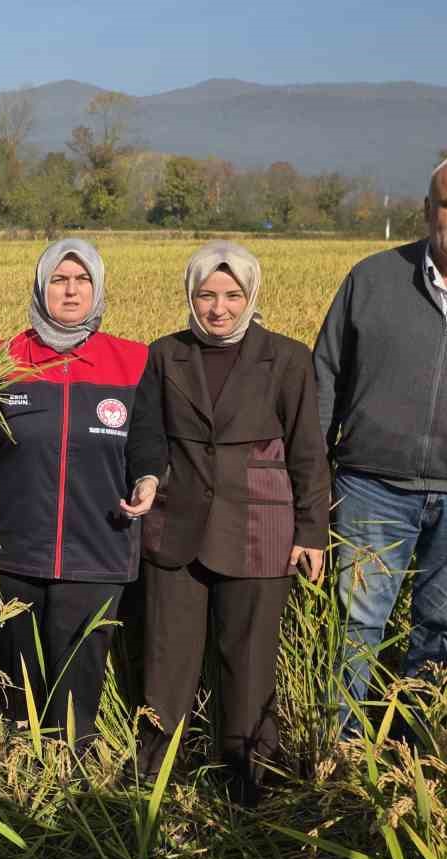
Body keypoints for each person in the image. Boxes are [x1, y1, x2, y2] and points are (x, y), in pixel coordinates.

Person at [124, 240, 328, 804]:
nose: (219, 308)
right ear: (189, 296)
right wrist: (145, 476)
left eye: (232, 294)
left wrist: (311, 532)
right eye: (206, 294)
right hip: (177, 525)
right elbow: (147, 432)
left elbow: (308, 450)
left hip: (261, 527)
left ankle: (249, 772)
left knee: (250, 653)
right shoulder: (164, 354)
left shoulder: (287, 358)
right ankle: (155, 767)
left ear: (251, 295)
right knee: (168, 653)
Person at [0, 239, 147, 756]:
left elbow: (150, 444)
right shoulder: (4, 358)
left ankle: (72, 759)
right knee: (20, 660)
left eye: (81, 280)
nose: (70, 290)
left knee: (81, 660)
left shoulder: (132, 362)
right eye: (59, 280)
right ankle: (23, 750)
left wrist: (151, 479)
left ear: (97, 289)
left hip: (98, 543)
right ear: (41, 287)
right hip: (17, 543)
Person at [315, 152, 447, 734]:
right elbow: (326, 376)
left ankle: (419, 762)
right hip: (370, 487)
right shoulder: (373, 277)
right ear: (428, 210)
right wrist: (312, 479)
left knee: (446, 633)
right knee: (355, 625)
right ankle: (339, 754)